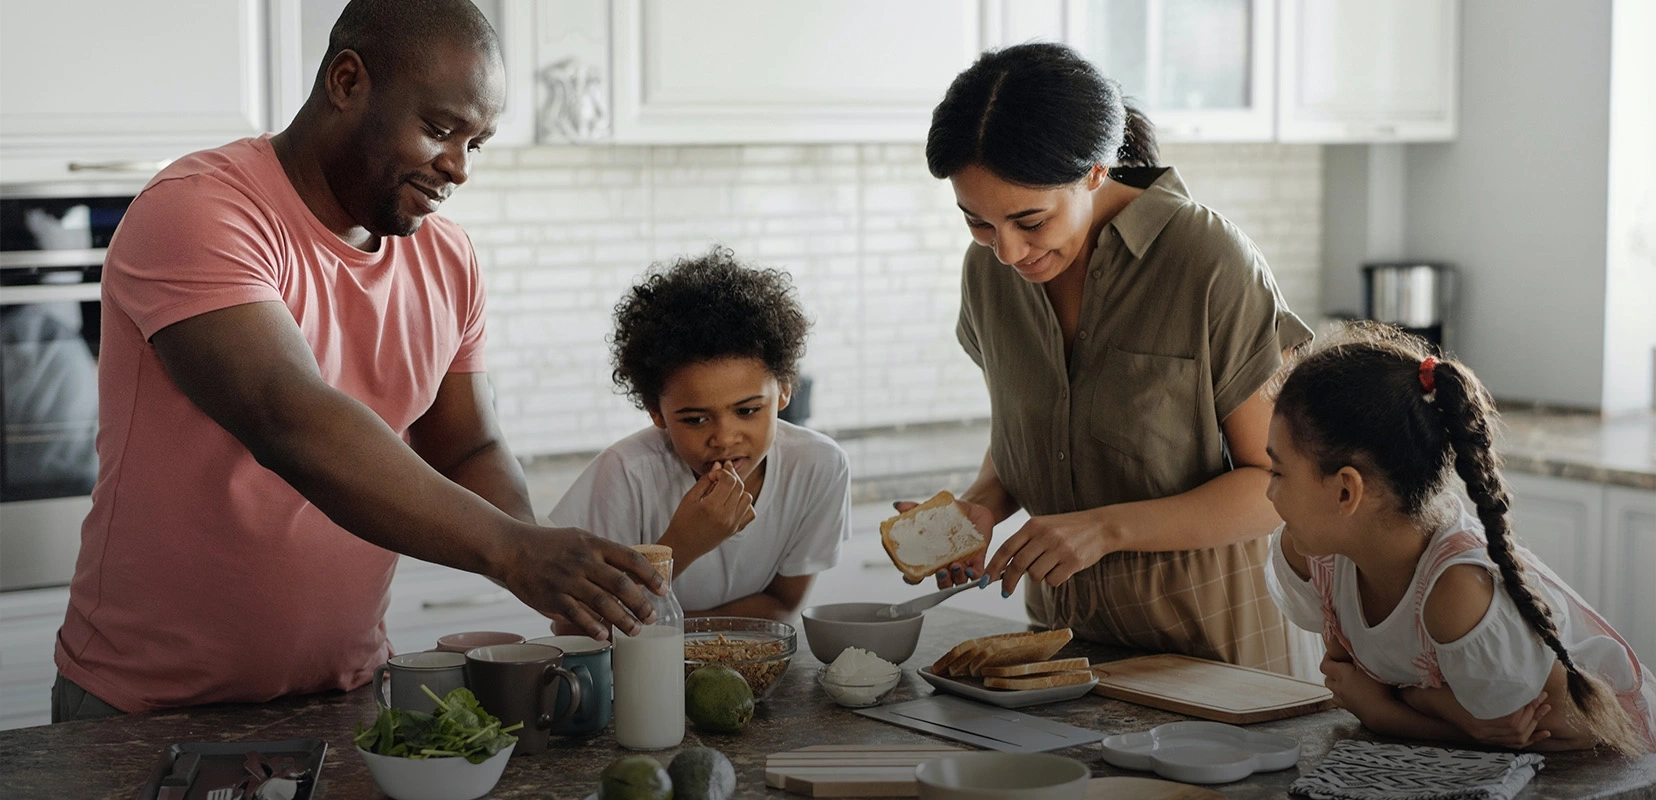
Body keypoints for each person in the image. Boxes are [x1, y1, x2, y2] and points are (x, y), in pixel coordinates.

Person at [52, 0, 663, 721]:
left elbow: (468, 445)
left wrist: (539, 561)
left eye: (478, 142)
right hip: (147, 706)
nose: (459, 168)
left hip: (344, 694)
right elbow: (290, 422)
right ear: (346, 81)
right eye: (439, 129)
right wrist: (512, 552)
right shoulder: (200, 211)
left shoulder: (446, 257)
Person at [917, 42, 1314, 674]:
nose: (1009, 252)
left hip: (1216, 654)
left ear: (1097, 171)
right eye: (979, 223)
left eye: (1030, 221)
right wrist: (983, 505)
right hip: (1062, 652)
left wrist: (1103, 529)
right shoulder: (988, 274)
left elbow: (1277, 487)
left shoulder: (1206, 260)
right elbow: (1037, 429)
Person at [1264, 323, 1655, 755]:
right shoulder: (1319, 556)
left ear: (1345, 491)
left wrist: (1395, 709)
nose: (1268, 492)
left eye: (1278, 472)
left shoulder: (1457, 592)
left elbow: (1564, 731)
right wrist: (1443, 712)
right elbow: (1348, 684)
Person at [549, 248, 851, 621]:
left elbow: (782, 604)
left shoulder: (819, 466)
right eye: (695, 419)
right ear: (656, 411)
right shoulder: (626, 475)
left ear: (785, 389)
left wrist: (684, 637)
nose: (724, 438)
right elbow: (573, 626)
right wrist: (683, 545)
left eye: (747, 411)